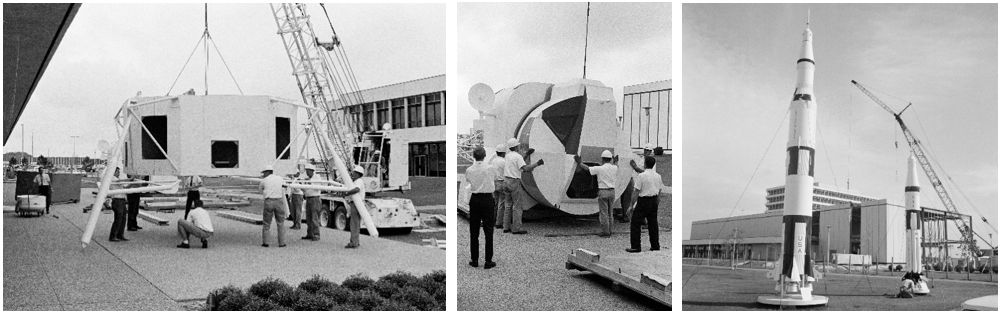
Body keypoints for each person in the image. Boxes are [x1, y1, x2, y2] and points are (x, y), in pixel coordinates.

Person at [502, 138, 543, 235]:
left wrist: (527, 154)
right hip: (514, 182)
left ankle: (506, 227)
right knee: (517, 206)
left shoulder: (508, 156)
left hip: (506, 181)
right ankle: (516, 229)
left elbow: (518, 163)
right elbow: (525, 168)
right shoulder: (517, 156)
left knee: (507, 205)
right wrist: (537, 164)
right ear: (516, 146)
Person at [465, 147, 497, 269]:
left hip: (475, 199)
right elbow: (494, 178)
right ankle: (488, 260)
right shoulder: (490, 168)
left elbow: (468, 180)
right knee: (489, 230)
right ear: (484, 156)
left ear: (474, 156)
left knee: (474, 230)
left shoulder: (469, 169)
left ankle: (474, 259)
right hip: (487, 198)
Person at [575, 150, 618, 237]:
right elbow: (616, 165)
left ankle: (605, 232)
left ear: (602, 159)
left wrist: (579, 162)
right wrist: (616, 161)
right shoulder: (615, 168)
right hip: (612, 192)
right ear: (610, 159)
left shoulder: (600, 168)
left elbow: (587, 168)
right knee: (610, 212)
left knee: (604, 213)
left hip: (603, 191)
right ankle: (610, 230)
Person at [627, 156, 663, 253]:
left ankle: (636, 246)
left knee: (635, 222)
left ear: (645, 164)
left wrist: (631, 205)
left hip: (643, 201)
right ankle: (655, 245)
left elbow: (636, 192)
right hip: (654, 200)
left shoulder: (641, 176)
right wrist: (657, 202)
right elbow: (659, 191)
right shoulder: (658, 176)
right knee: (653, 224)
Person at [259, 165, 288, 247]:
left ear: (267, 172)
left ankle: (266, 242)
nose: (263, 174)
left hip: (269, 201)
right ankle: (282, 243)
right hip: (278, 201)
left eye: (264, 173)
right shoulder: (279, 178)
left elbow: (260, 190)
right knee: (281, 223)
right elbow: (285, 186)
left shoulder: (264, 180)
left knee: (266, 223)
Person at [338, 165, 365, 248]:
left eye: (354, 172)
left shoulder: (358, 181)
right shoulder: (357, 181)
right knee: (356, 223)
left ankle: (353, 242)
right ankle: (356, 241)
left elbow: (357, 190)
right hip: (357, 203)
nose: (352, 174)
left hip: (356, 204)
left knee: (354, 223)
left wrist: (347, 193)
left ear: (358, 173)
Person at [108, 167, 130, 242]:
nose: (119, 173)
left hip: (122, 200)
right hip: (117, 201)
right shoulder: (112, 178)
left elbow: (124, 187)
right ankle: (113, 236)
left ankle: (120, 235)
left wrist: (133, 185)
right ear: (113, 172)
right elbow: (120, 181)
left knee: (123, 219)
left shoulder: (117, 180)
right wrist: (130, 179)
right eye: (118, 172)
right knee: (118, 219)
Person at [489, 144, 507, 229]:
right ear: (504, 153)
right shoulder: (504, 161)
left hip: (494, 183)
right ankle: (499, 223)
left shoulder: (493, 161)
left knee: (494, 203)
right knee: (501, 203)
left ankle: (492, 220)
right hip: (502, 182)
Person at [302, 164, 323, 241]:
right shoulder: (307, 179)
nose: (307, 173)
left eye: (308, 171)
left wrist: (307, 183)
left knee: (315, 218)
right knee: (309, 217)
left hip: (315, 198)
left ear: (312, 171)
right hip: (308, 198)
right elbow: (305, 189)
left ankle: (316, 234)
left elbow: (313, 187)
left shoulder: (316, 178)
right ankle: (310, 233)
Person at [288, 164, 305, 230]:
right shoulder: (294, 180)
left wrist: (293, 185)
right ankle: (295, 223)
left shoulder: (299, 180)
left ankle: (298, 225)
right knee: (293, 211)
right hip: (294, 195)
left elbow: (298, 188)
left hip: (298, 195)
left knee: (298, 211)